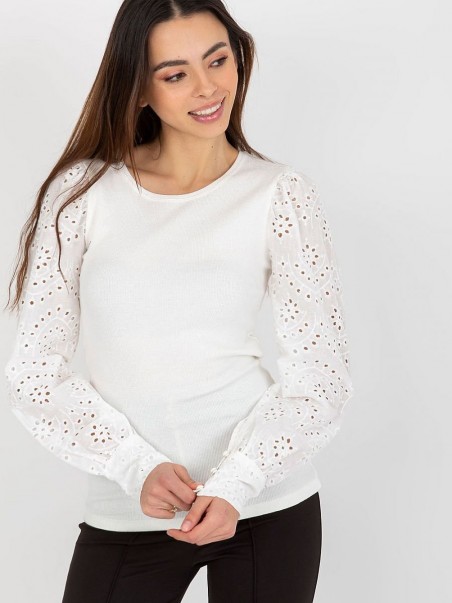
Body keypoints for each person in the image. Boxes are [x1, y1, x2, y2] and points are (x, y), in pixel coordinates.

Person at [3, 1, 354, 602]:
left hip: (264, 506)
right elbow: (34, 374)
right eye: (176, 74)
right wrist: (135, 466)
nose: (207, 87)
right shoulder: (81, 195)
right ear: (139, 88)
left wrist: (239, 482)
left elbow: (321, 374)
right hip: (130, 511)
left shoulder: (280, 194)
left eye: (218, 61)